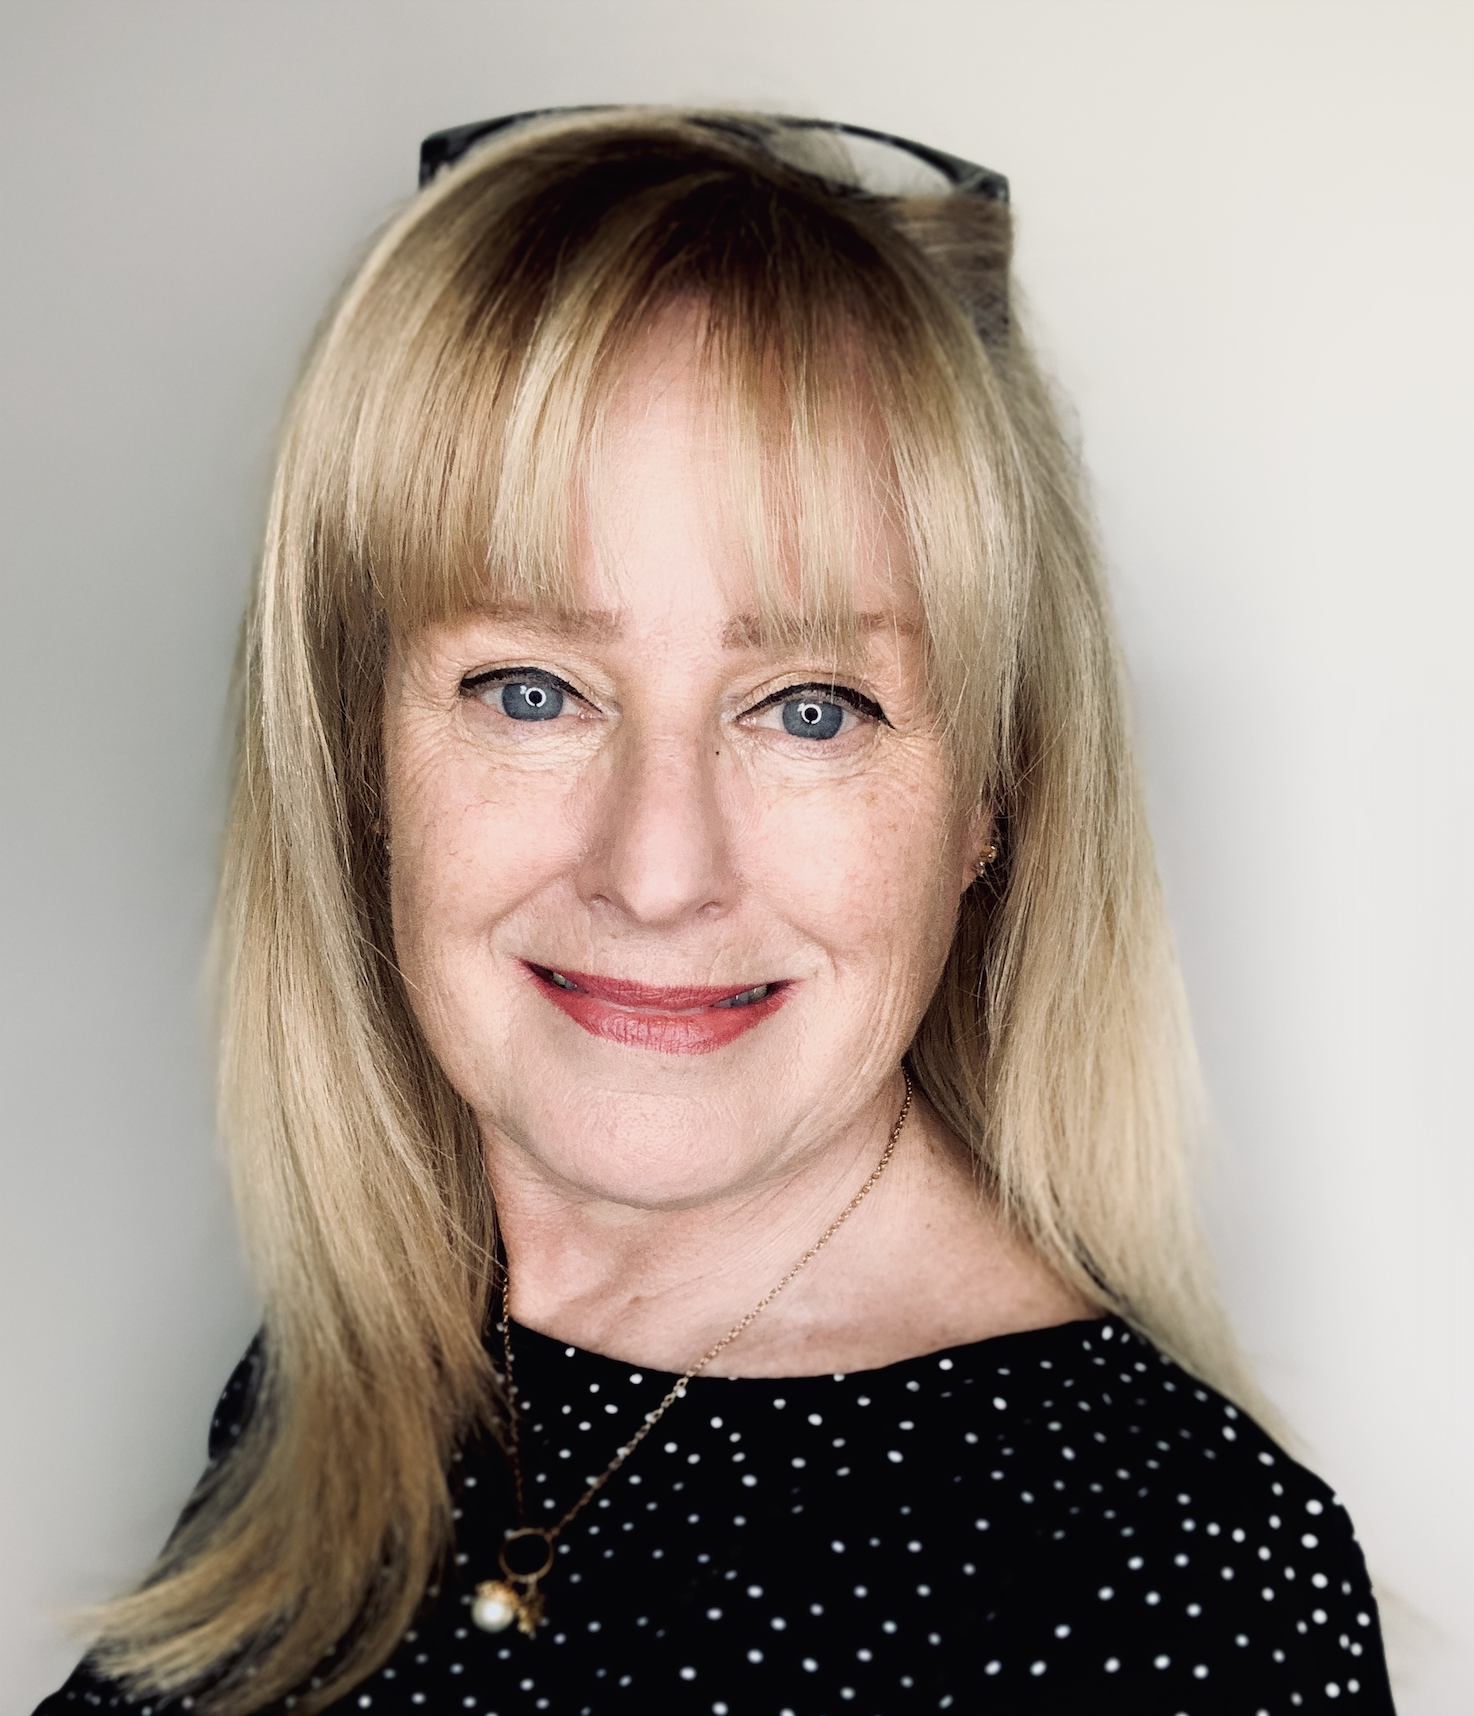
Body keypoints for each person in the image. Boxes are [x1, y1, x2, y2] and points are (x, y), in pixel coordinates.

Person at [35, 108, 1394, 1715]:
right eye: (530, 690)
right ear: (357, 748)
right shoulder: (393, 1353)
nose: (656, 869)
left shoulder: (1179, 1588)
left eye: (810, 710)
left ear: (991, 798)